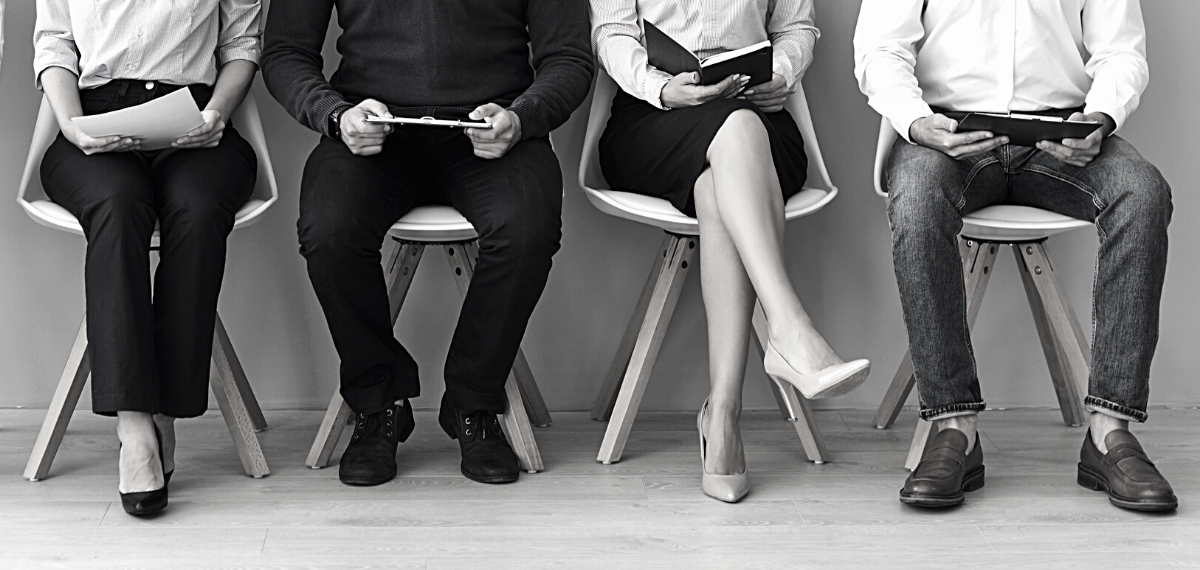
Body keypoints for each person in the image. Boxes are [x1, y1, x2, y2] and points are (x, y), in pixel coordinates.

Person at [855, 0, 1176, 511]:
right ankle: (952, 425)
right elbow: (880, 49)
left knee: (1143, 195)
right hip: (949, 134)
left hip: (1060, 135)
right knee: (915, 202)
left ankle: (1109, 433)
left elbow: (1121, 52)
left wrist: (1101, 116)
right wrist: (917, 122)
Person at [261, 0, 593, 487]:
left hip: (494, 127)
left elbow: (569, 57)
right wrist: (335, 116)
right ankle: (378, 403)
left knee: (527, 229)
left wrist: (522, 117)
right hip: (373, 129)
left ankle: (473, 401)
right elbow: (285, 51)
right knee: (329, 231)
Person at [591, 0, 871, 503]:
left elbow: (797, 28)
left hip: (758, 123)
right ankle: (788, 329)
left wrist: (781, 73)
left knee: (717, 178)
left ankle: (722, 415)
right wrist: (660, 87)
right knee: (729, 143)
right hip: (655, 119)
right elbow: (611, 32)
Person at [34, 0, 262, 515]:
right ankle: (134, 427)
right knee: (116, 205)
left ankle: (166, 414)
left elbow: (242, 45)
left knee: (200, 208)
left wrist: (217, 114)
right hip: (93, 116)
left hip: (196, 118)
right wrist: (71, 125)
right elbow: (54, 44)